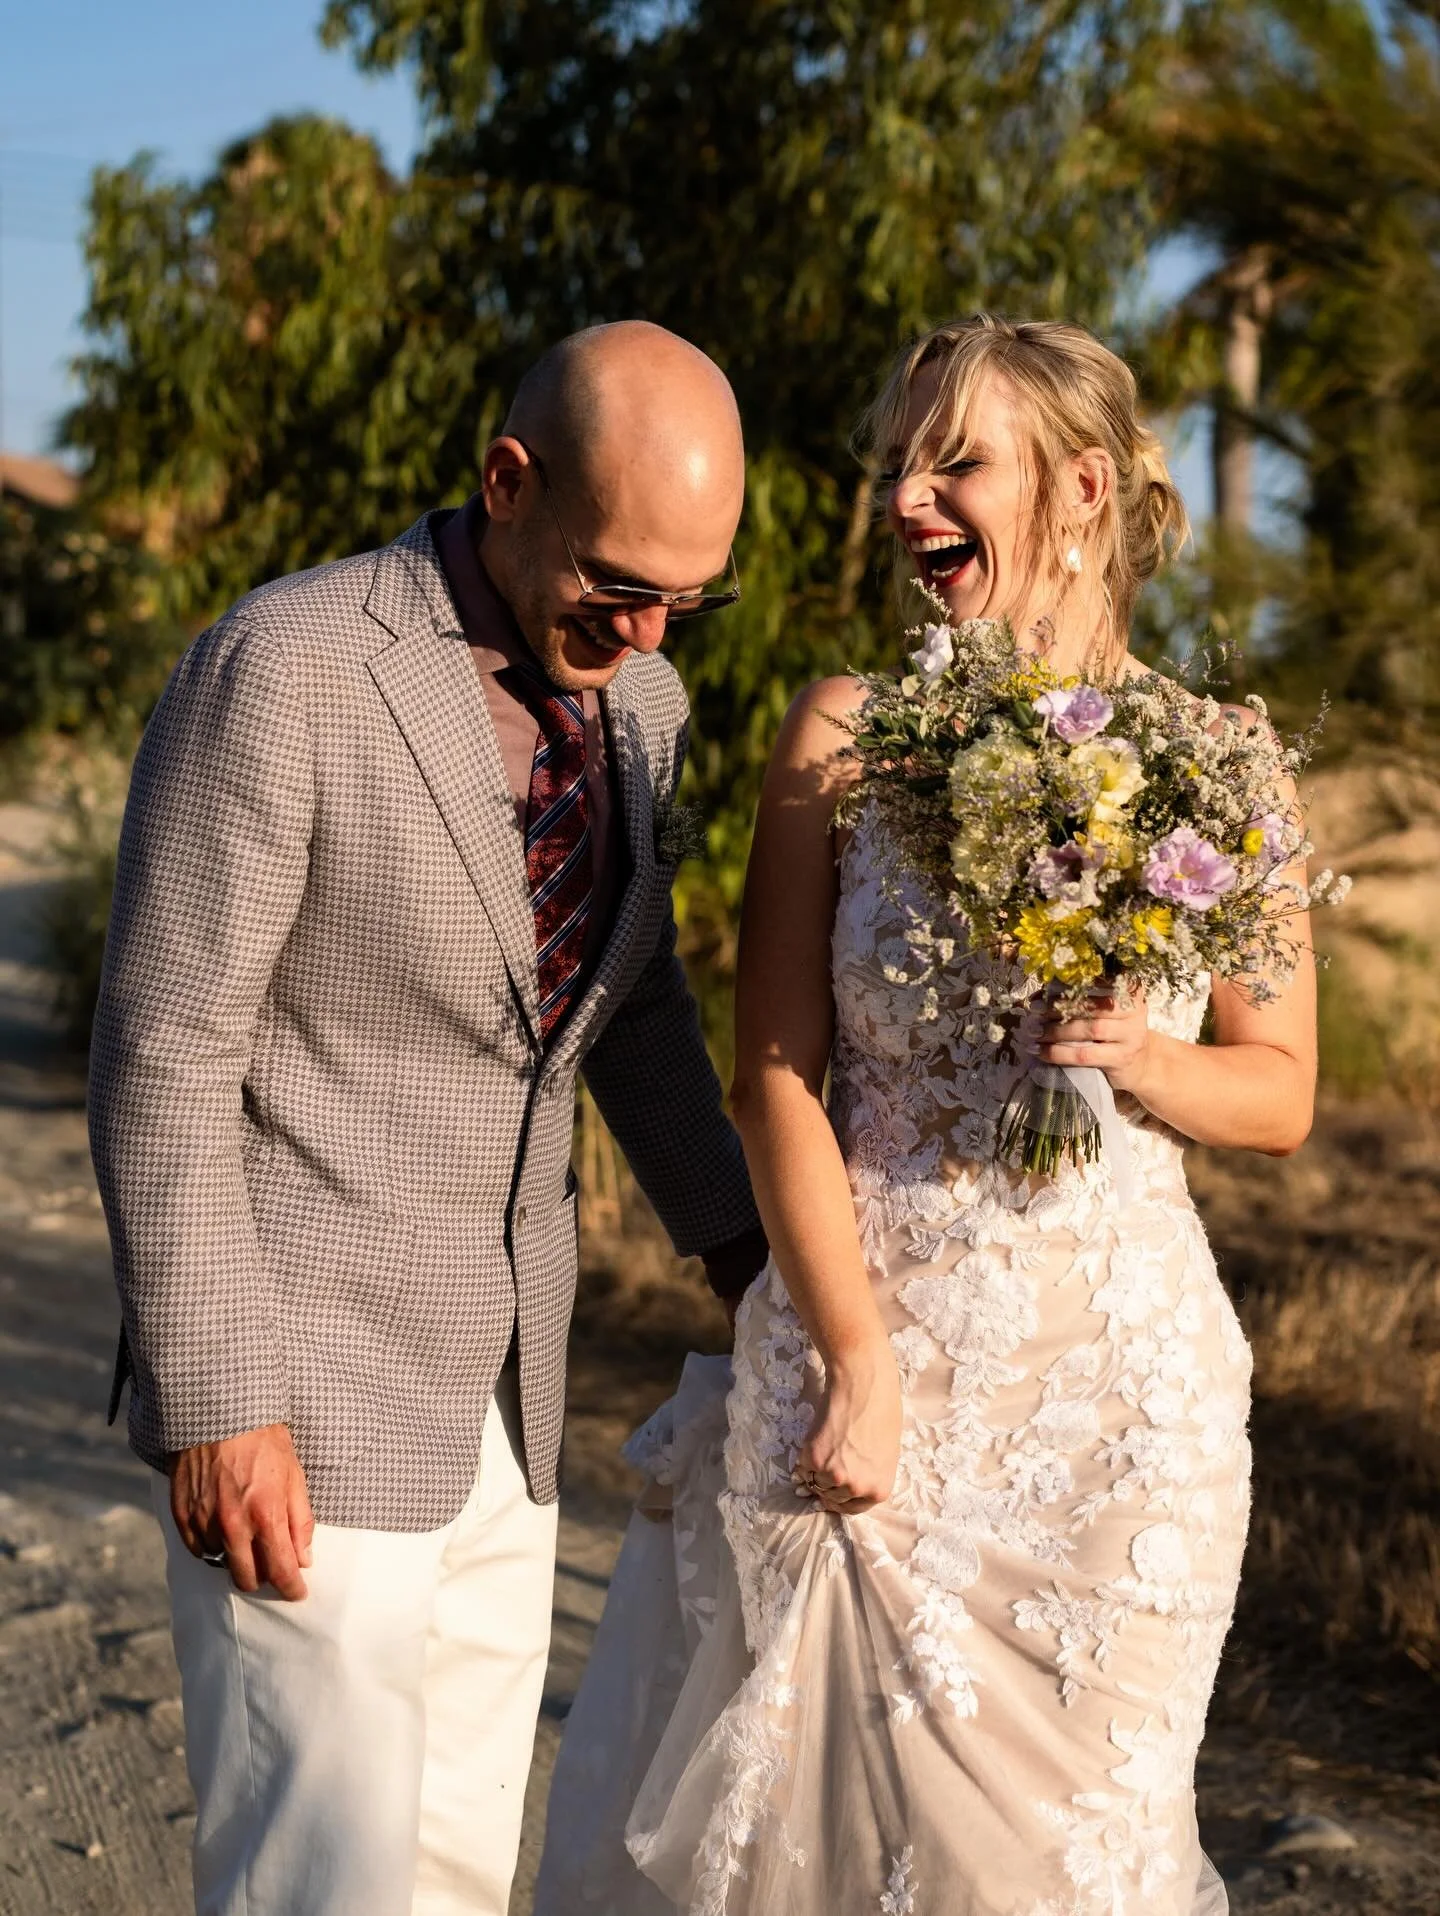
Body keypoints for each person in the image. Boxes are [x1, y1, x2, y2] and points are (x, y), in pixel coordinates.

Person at [535, 315, 1317, 1915]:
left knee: (1073, 1870)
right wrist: (858, 1358)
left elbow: (1283, 1090)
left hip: (1121, 1419)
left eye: (954, 461)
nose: (905, 499)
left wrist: (1141, 1058)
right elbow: (771, 1077)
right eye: (899, 463)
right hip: (880, 1367)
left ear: (1083, 489)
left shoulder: (1224, 761)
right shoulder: (843, 737)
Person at [87, 319, 768, 1916]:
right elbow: (166, 1046)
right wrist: (219, 1396)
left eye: (691, 596)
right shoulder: (290, 665)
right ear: (508, 483)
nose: (656, 626)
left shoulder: (645, 705)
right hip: (298, 1399)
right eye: (620, 584)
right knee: (314, 1884)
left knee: (463, 1872)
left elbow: (636, 1014)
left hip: (508, 1408)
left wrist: (755, 1264)